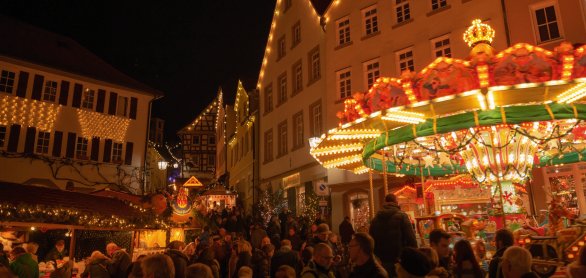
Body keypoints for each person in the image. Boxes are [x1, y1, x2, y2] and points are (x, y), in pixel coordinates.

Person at [369, 193, 418, 276]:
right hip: (398, 258)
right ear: (396, 202)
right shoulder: (402, 216)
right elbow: (410, 238)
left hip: (381, 260)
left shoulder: (375, 219)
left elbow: (371, 239)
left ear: (385, 202)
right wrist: (415, 254)